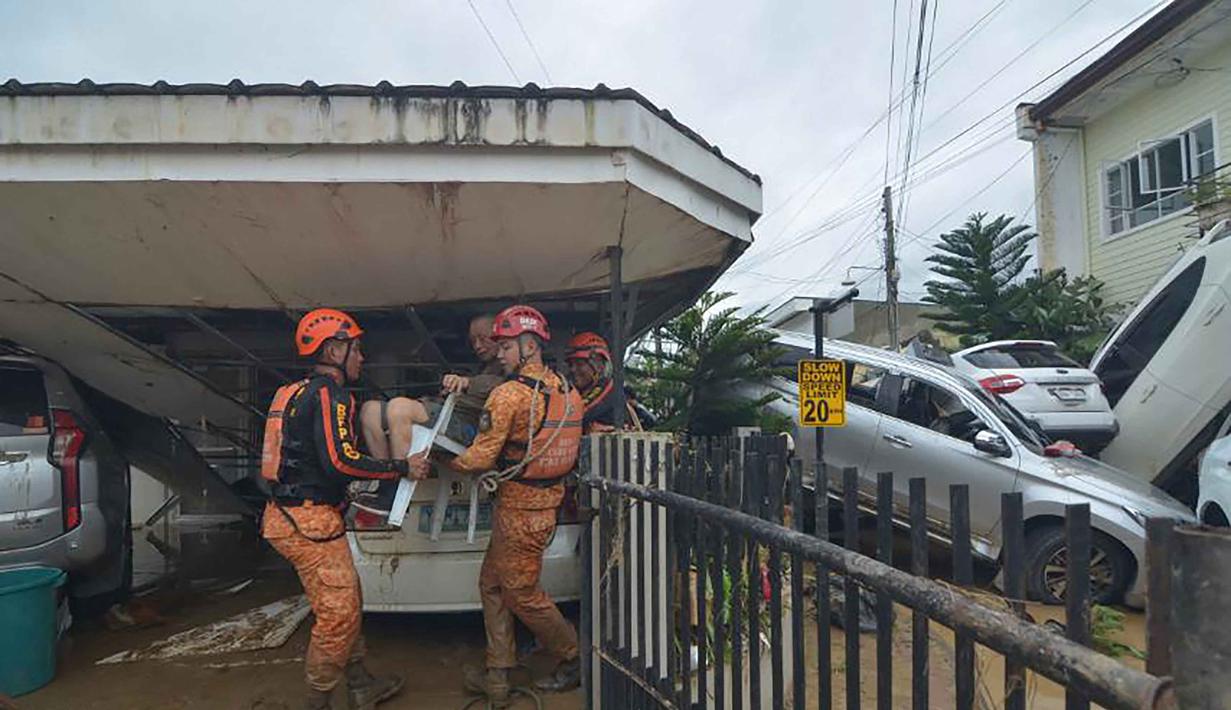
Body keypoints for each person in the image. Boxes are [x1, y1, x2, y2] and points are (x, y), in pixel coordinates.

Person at [260, 308, 430, 710]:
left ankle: (360, 683)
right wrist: (400, 467)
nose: (362, 358)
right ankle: (317, 702)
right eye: (356, 349)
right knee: (338, 615)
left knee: (347, 597)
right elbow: (341, 460)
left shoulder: (292, 391)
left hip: (290, 515)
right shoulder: (328, 394)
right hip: (308, 522)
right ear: (335, 349)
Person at [447, 305, 583, 706]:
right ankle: (499, 672)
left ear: (528, 345)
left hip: (521, 512)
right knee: (491, 583)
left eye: (506, 346)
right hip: (544, 507)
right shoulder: (566, 390)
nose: (499, 353)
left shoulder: (508, 395)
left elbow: (479, 458)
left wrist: (434, 458)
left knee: (522, 593)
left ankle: (573, 657)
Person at [565, 331, 643, 433]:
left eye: (579, 364)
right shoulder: (582, 392)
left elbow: (574, 416)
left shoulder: (608, 390)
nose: (573, 370)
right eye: (571, 365)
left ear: (599, 365)